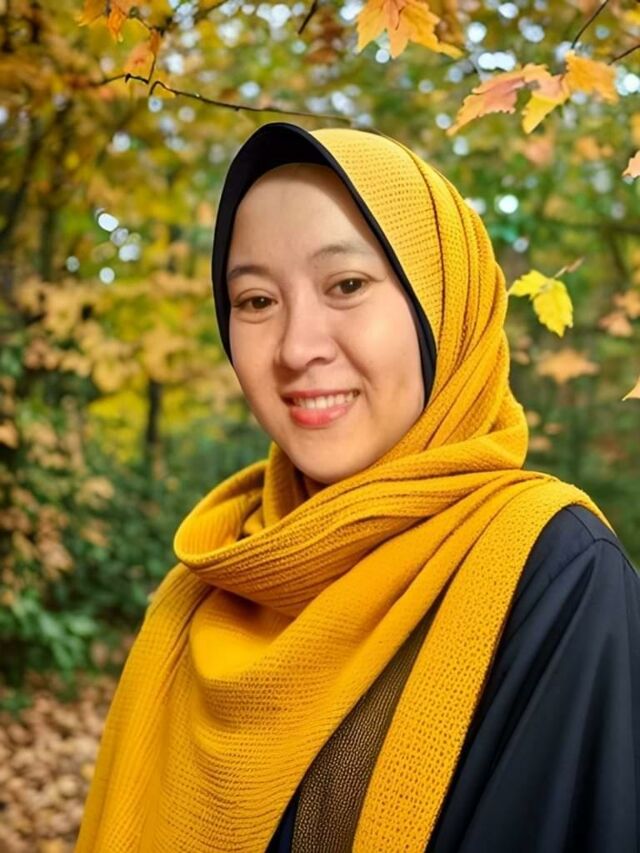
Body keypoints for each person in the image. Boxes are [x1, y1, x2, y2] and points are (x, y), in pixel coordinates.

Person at [76, 122, 640, 852]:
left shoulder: (557, 569)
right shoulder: (212, 578)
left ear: (445, 305)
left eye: (346, 285)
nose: (296, 348)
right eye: (256, 301)